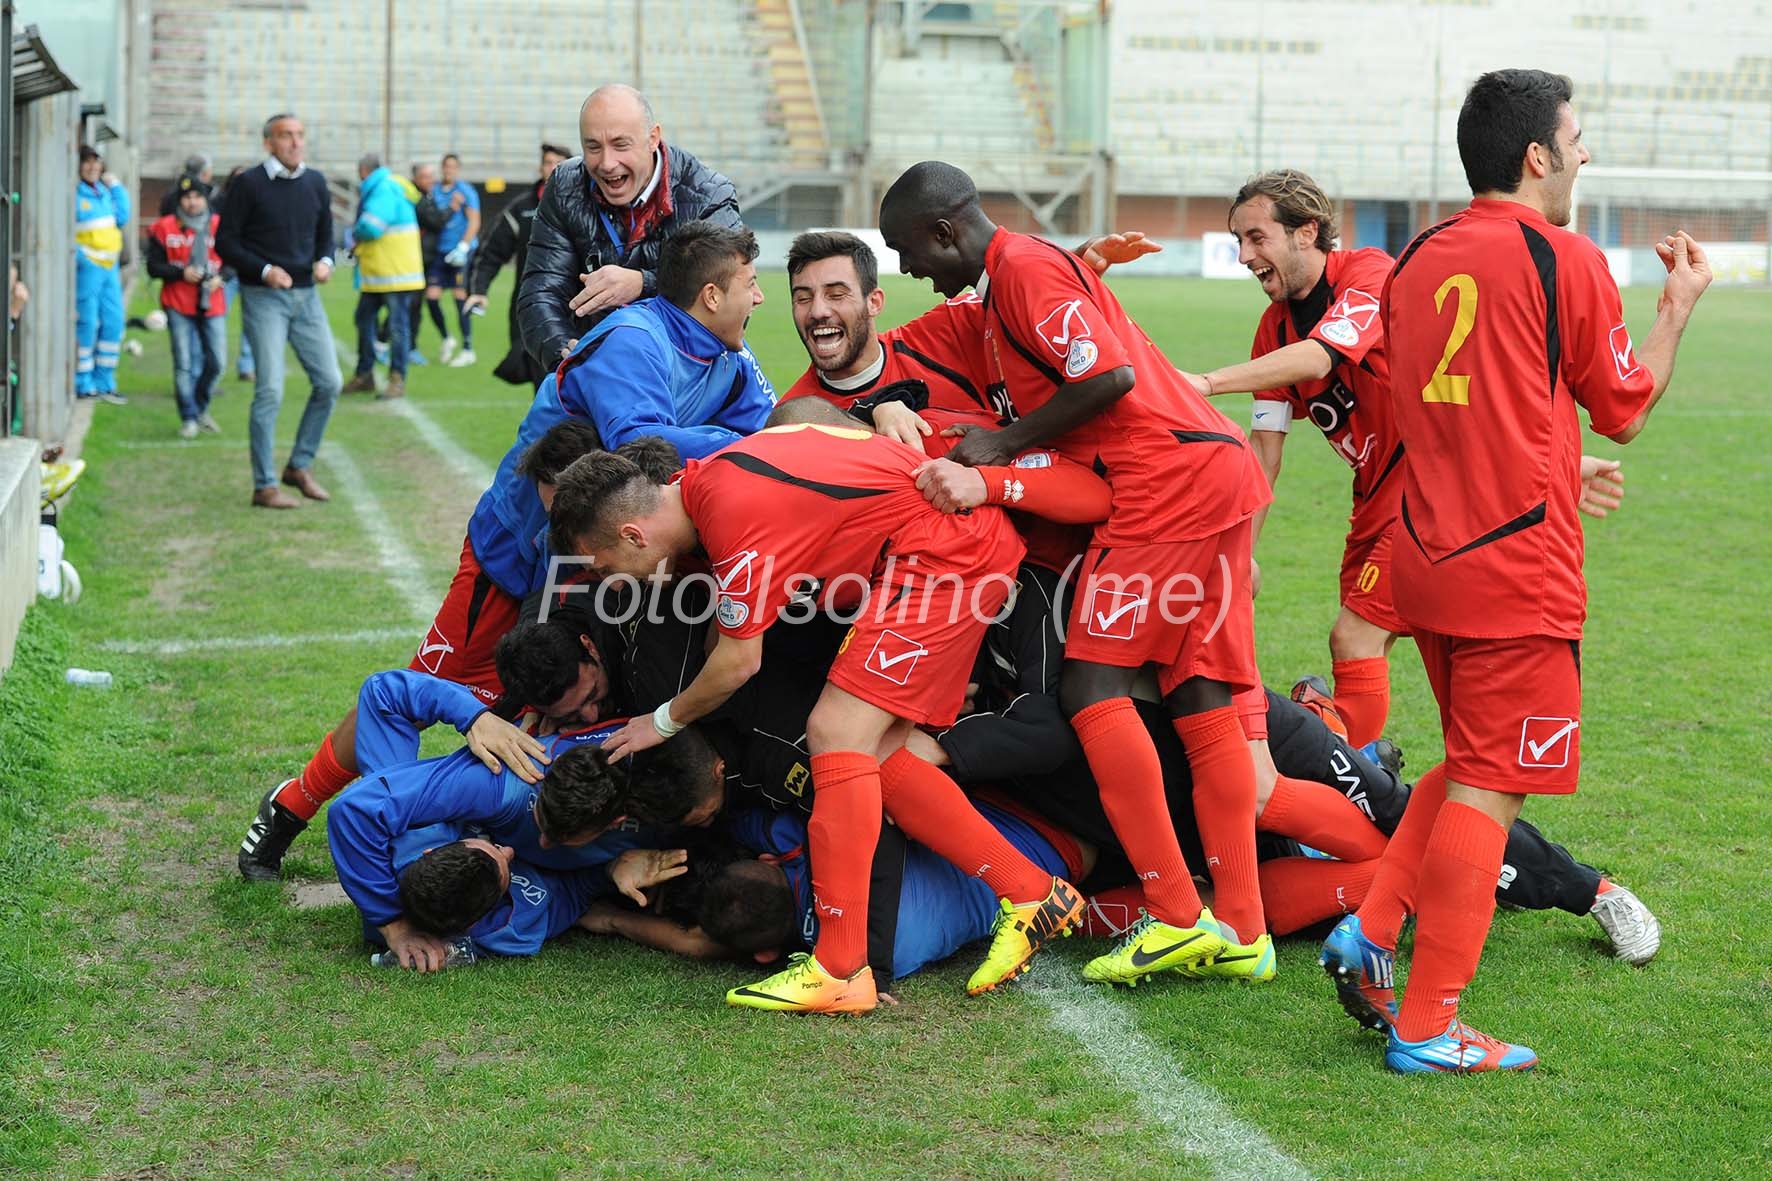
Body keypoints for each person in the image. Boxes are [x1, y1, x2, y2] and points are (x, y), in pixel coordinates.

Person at [1318, 69, 1710, 1074]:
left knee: (1464, 764)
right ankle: (1424, 1024)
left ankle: (1364, 933)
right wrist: (1672, 307)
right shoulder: (1560, 257)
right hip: (1514, 568)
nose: (1584, 153)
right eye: (1575, 137)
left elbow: (1428, 414)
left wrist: (1549, 459)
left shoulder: (1415, 259)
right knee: (1492, 786)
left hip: (1425, 557)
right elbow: (1621, 402)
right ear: (1534, 154)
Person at [880, 161, 1273, 986]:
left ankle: (1173, 913)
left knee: (1093, 687)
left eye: (909, 250)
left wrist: (1003, 444)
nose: (910, 269)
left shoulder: (1020, 268)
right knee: (1199, 689)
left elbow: (1109, 377)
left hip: (1167, 478)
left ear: (947, 230)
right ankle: (1242, 924)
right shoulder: (1010, 280)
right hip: (1213, 468)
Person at [553, 427, 1085, 1014]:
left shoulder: (730, 509)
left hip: (944, 557)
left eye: (607, 567)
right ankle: (1031, 892)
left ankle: (839, 967)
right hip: (931, 555)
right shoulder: (707, 488)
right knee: (876, 759)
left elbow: (738, 662)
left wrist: (664, 721)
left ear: (633, 533)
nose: (611, 582)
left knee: (834, 733)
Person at [518, 84, 743, 367]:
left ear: (653, 138)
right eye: (593, 147)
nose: (607, 163)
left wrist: (642, 283)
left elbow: (732, 300)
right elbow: (540, 291)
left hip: (685, 383)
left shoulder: (708, 195)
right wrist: (569, 356)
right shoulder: (565, 186)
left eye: (620, 144)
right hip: (593, 376)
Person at [216, 113, 341, 510]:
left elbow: (326, 234)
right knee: (270, 388)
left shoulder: (316, 182)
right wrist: (265, 271)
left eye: (300, 135)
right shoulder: (248, 184)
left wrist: (326, 260)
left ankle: (298, 465)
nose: (295, 142)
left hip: (307, 297)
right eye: (286, 136)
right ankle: (264, 485)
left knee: (330, 382)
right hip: (264, 297)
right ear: (268, 142)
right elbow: (225, 242)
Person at [465, 143, 571, 387]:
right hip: (531, 306)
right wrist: (479, 290)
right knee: (542, 382)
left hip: (575, 308)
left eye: (559, 163)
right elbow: (490, 252)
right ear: (540, 167)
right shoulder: (521, 209)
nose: (553, 168)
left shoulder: (586, 205)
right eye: (548, 163)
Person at [145, 177, 228, 438]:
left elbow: (234, 260)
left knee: (217, 362)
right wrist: (181, 274)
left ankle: (200, 406)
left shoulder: (220, 226)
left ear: (206, 200)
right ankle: (189, 416)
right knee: (184, 363)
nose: (192, 202)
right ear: (179, 201)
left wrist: (221, 277)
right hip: (178, 303)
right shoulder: (164, 228)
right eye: (187, 197)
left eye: (197, 196)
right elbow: (153, 267)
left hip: (211, 303)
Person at [341, 152, 424, 401]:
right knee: (365, 318)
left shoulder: (383, 188)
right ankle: (365, 374)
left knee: (396, 325)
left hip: (393, 271)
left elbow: (372, 226)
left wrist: (355, 234)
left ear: (363, 171)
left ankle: (396, 378)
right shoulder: (390, 185)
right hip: (383, 270)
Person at [75, 146, 130, 405]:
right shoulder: (75, 193)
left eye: (96, 162)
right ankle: (83, 383)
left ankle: (104, 382)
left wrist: (117, 186)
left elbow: (123, 215)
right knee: (87, 324)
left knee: (114, 322)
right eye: (87, 162)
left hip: (109, 269)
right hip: (88, 269)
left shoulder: (105, 192)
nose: (93, 167)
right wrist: (82, 260)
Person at [428, 152, 481, 367]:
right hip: (441, 253)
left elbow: (474, 221)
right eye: (446, 166)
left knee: (460, 298)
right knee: (431, 297)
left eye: (452, 166)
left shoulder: (465, 191)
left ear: (457, 169)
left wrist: (463, 246)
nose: (449, 170)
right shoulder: (436, 191)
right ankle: (447, 337)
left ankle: (468, 348)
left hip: (460, 253)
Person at [405, 161, 447, 365]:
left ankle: (405, 345)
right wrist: (452, 209)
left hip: (424, 260)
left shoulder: (426, 197)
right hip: (415, 261)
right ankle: (388, 342)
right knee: (409, 304)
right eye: (426, 177)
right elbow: (437, 222)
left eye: (431, 176)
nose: (430, 181)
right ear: (416, 179)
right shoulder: (417, 200)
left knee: (413, 305)